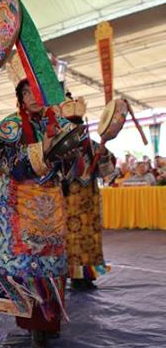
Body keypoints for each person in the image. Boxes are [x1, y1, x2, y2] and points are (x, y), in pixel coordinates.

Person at [0, 78, 70, 348]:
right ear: (20, 97)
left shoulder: (57, 123)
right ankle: (35, 324)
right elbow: (4, 162)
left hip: (49, 202)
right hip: (17, 203)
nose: (33, 97)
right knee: (27, 264)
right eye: (27, 92)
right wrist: (41, 150)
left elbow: (72, 164)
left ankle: (50, 320)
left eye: (37, 91)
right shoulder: (9, 126)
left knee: (52, 262)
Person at [59, 95, 115, 290]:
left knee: (89, 238)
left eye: (78, 125)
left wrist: (104, 153)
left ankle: (87, 275)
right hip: (68, 199)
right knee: (70, 239)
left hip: (89, 198)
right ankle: (74, 276)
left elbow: (107, 169)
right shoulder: (60, 147)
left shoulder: (93, 145)